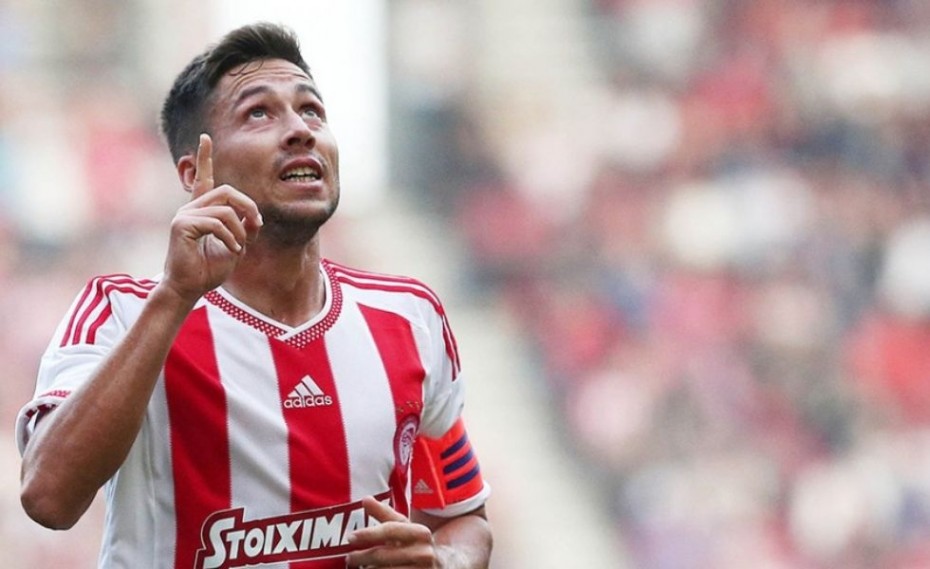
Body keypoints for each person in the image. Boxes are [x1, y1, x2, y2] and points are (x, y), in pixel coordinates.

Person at [16, 22, 492, 569]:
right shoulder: (120, 313)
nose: (300, 130)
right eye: (259, 113)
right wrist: (176, 295)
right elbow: (48, 498)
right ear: (196, 172)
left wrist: (443, 562)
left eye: (311, 110)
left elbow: (462, 517)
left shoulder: (408, 317)